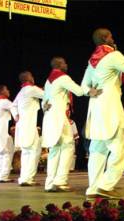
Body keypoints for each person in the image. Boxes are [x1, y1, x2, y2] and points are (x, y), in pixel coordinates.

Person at [82, 28, 124, 199]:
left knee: (97, 149)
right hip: (110, 107)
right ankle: (106, 185)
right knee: (121, 145)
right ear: (105, 38)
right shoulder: (114, 56)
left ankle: (93, 188)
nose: (113, 37)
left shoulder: (92, 61)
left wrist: (90, 92)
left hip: (95, 108)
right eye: (110, 35)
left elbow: (83, 87)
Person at [41, 57, 86, 192]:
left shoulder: (48, 80)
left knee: (55, 149)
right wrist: (89, 82)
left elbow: (44, 101)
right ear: (60, 65)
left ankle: (50, 183)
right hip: (59, 117)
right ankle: (60, 181)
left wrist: (45, 105)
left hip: (49, 117)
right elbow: (79, 91)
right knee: (68, 146)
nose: (67, 64)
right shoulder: (63, 78)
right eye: (65, 62)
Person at [11, 71, 44, 186]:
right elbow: (47, 94)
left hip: (23, 125)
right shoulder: (31, 89)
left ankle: (24, 178)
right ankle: (28, 178)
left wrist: (15, 115)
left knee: (26, 152)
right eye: (31, 75)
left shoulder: (21, 91)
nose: (33, 77)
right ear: (28, 78)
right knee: (33, 151)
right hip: (29, 125)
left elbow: (13, 105)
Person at [0, 85, 15, 183]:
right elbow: (15, 106)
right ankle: (3, 176)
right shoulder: (4, 101)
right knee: (7, 153)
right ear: (2, 91)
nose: (8, 91)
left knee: (1, 154)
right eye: (7, 89)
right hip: (2, 131)